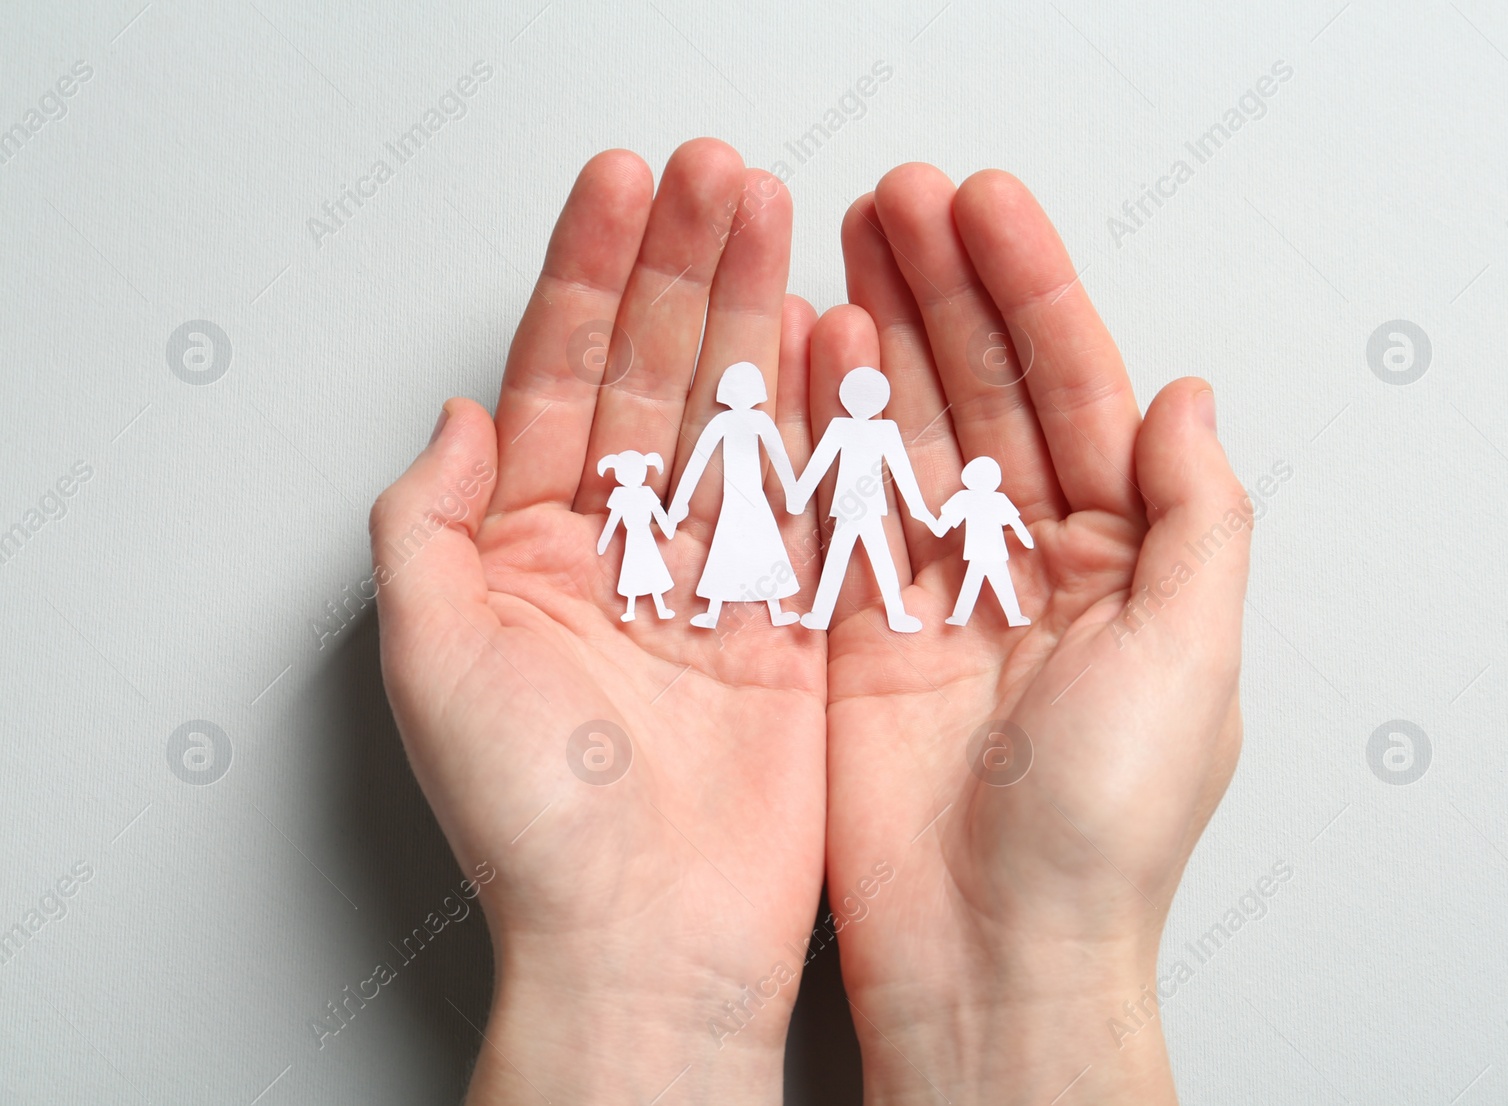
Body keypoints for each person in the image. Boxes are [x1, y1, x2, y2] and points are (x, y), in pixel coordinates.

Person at [370, 140, 1249, 1105]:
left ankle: (797, 591)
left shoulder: (844, 436)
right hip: (792, 525)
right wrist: (616, 974)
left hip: (854, 521)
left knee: (854, 560)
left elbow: (838, 476)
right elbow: (779, 471)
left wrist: (1039, 962)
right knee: (836, 563)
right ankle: (781, 592)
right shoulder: (789, 431)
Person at [788, 365, 938, 632]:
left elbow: (901, 469)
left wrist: (919, 509)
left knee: (873, 559)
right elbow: (819, 462)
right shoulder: (843, 427)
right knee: (860, 559)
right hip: (849, 506)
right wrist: (799, 496)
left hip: (862, 506)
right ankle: (829, 615)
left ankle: (891, 615)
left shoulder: (884, 429)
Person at [665, 361, 801, 628]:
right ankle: (714, 612)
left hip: (752, 496)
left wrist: (794, 493)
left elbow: (779, 456)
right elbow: (698, 460)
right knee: (735, 546)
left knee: (761, 546)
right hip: (736, 497)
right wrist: (679, 501)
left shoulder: (752, 420)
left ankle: (772, 610)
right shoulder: (725, 421)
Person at [935, 455, 1034, 627]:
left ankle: (964, 617)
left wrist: (1026, 538)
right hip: (986, 551)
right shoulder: (970, 498)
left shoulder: (976, 498)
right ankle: (1012, 617)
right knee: (991, 583)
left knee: (980, 583)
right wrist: (1026, 539)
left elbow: (944, 525)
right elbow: (1016, 523)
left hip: (986, 551)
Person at [595, 450, 675, 623]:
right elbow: (613, 520)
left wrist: (669, 528)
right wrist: (603, 541)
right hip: (632, 538)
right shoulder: (620, 494)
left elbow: (659, 514)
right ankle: (630, 610)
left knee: (652, 569)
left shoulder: (646, 492)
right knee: (632, 570)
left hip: (646, 537)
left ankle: (661, 608)